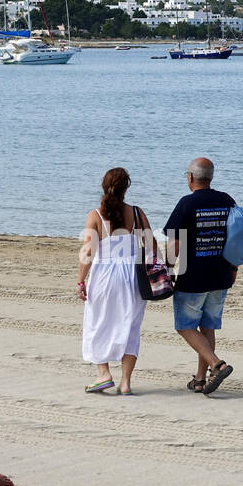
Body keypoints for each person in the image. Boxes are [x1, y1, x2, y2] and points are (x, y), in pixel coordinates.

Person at [163, 157, 237, 394]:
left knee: (184, 326)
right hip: (222, 274)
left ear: (191, 177)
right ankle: (200, 380)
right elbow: (238, 238)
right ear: (211, 178)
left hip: (193, 277)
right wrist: (234, 269)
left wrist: (166, 269)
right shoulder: (227, 201)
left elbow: (174, 242)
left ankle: (217, 364)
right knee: (207, 327)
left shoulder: (187, 203)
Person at [78, 167, 152, 395]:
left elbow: (88, 251)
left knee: (98, 323)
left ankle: (104, 374)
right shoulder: (137, 213)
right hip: (132, 277)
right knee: (130, 327)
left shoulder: (95, 215)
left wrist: (81, 280)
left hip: (103, 276)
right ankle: (126, 382)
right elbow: (151, 248)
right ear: (126, 188)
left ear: (103, 185)